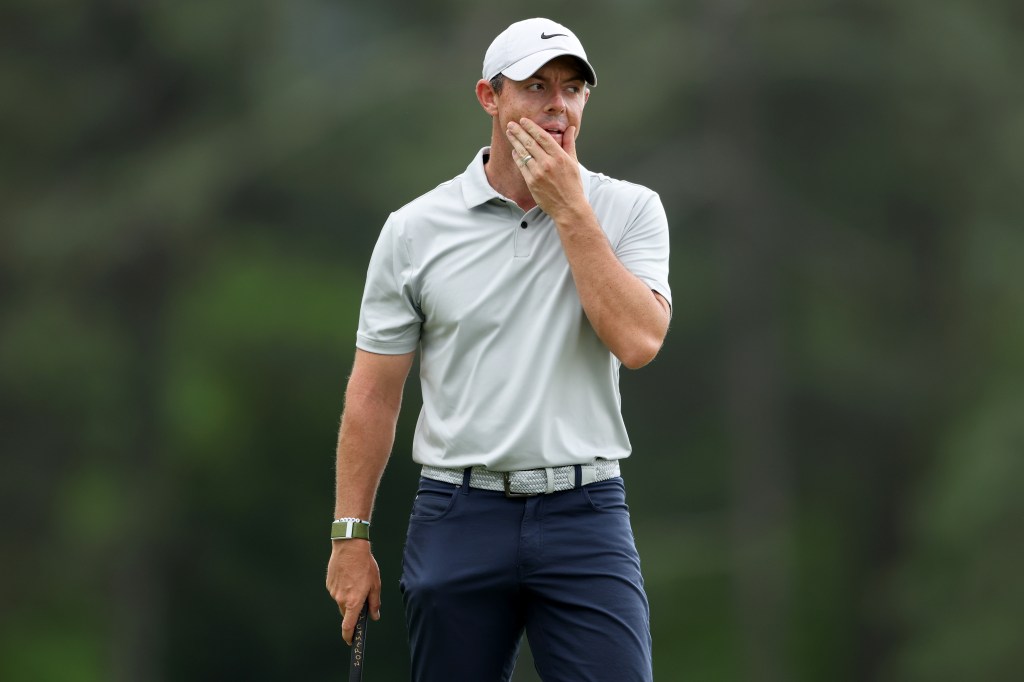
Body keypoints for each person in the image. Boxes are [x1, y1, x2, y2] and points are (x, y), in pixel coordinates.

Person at [326, 17, 671, 682]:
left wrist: (570, 211)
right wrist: (351, 537)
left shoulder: (629, 211)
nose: (557, 105)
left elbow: (637, 341)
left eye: (572, 89)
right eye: (536, 86)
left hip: (585, 512)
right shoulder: (414, 231)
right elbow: (372, 395)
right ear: (490, 97)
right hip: (459, 513)